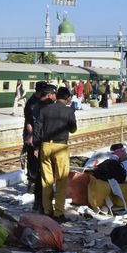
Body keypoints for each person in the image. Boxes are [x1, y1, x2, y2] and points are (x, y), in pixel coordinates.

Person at [34, 86, 77, 222]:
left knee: (46, 180)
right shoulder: (69, 110)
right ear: (67, 98)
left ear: (56, 96)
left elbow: (37, 129)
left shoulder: (44, 109)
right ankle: (58, 213)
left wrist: (36, 147)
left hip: (45, 146)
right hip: (60, 148)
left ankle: (47, 212)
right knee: (61, 181)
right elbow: (73, 129)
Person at [23, 82, 50, 212]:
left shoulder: (41, 102)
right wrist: (33, 137)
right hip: (34, 140)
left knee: (40, 171)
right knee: (36, 169)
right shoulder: (32, 104)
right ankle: (38, 200)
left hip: (40, 139)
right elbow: (29, 122)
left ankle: (40, 200)